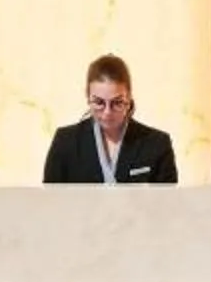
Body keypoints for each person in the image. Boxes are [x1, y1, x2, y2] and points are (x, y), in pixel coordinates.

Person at [42, 54, 180, 185]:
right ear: (87, 96)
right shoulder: (66, 142)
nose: (107, 112)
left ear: (129, 97)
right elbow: (50, 203)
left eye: (117, 103)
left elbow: (168, 205)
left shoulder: (157, 144)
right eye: (99, 103)